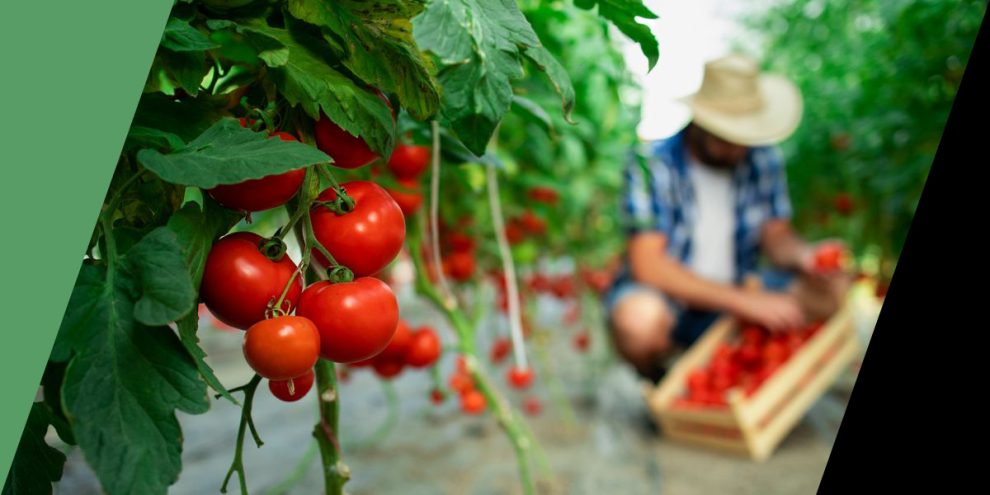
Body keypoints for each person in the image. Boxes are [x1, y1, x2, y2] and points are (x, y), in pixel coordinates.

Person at [605, 54, 851, 383]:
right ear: (700, 122)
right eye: (726, 137)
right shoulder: (651, 164)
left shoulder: (762, 159)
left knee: (833, 288)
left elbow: (777, 236)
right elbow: (648, 265)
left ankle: (747, 370)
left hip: (738, 295)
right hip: (674, 304)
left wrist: (804, 256)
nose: (737, 149)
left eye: (744, 138)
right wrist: (746, 301)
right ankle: (663, 378)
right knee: (637, 322)